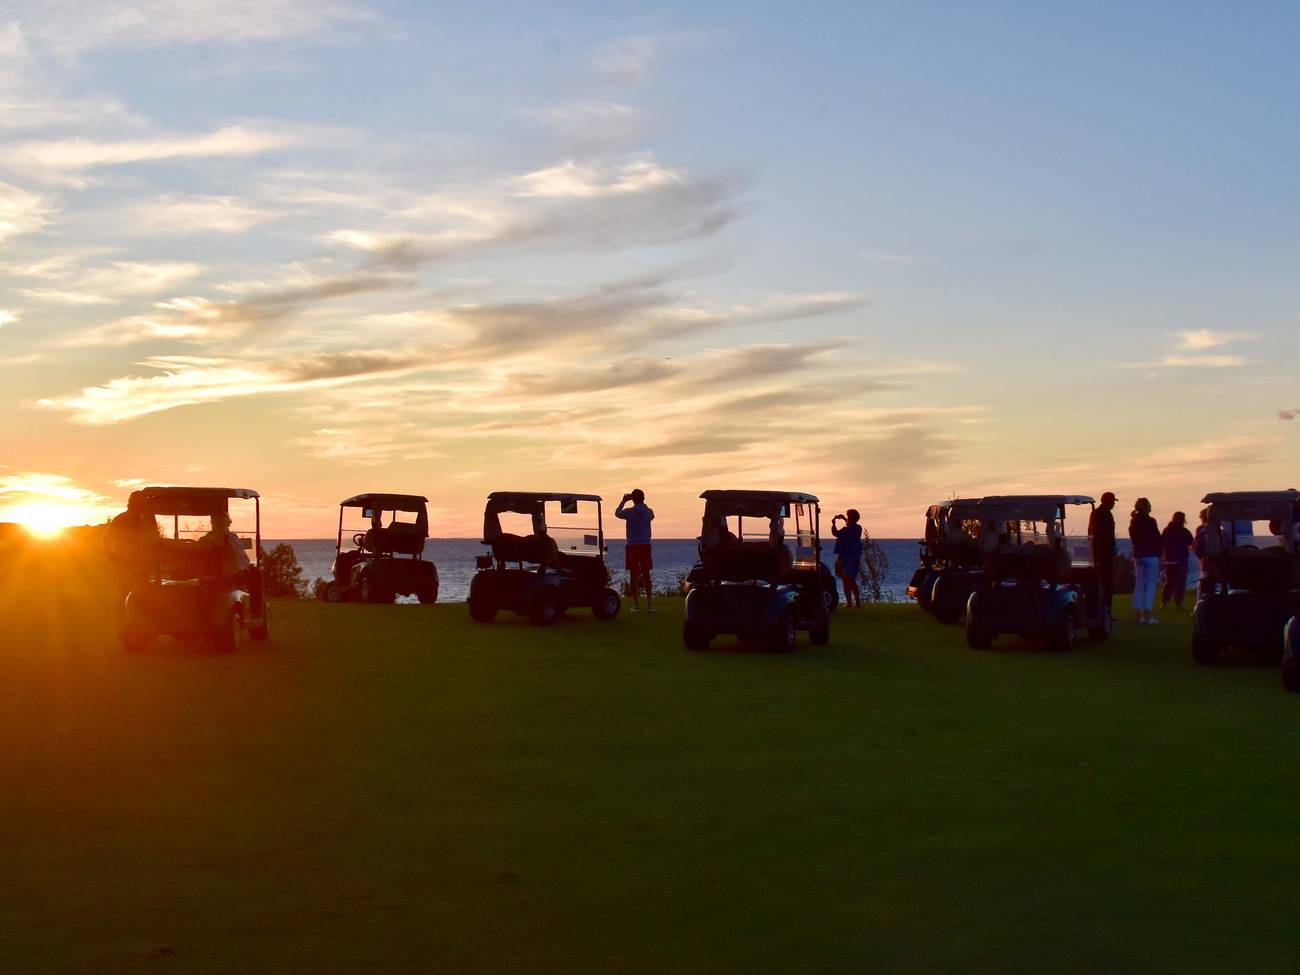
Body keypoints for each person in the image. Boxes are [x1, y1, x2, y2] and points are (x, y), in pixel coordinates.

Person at [615, 489, 655, 613]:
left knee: (633, 575)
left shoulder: (629, 512)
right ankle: (649, 604)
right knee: (646, 574)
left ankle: (636, 605)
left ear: (633, 499)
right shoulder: (649, 512)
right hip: (645, 544)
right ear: (643, 498)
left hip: (632, 545)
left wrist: (623, 501)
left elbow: (617, 513)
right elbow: (652, 516)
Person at [1129, 497, 1162, 624]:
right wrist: (1160, 553)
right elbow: (1157, 538)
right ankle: (1147, 614)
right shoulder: (1151, 521)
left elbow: (1134, 539)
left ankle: (1137, 614)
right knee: (1150, 585)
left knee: (1139, 585)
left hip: (1139, 555)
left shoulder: (1134, 522)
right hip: (1151, 555)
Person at [1089, 491, 1118, 614]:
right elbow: (1104, 536)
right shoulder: (1104, 514)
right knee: (1107, 583)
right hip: (1104, 554)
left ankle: (1105, 611)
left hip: (1099, 553)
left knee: (1104, 582)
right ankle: (1106, 611)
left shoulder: (1096, 513)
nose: (1113, 504)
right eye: (1112, 502)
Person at [1160, 511, 1195, 610]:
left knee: (1169, 582)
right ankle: (1178, 603)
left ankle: (1164, 602)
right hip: (1181, 559)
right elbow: (1191, 542)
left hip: (1169, 560)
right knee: (1180, 583)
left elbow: (1162, 542)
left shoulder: (1166, 530)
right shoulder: (1184, 531)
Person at [200, 512, 250, 579]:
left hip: (217, 573)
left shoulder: (206, 539)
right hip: (233, 573)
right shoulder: (232, 538)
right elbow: (244, 560)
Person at [831, 509, 864, 608]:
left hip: (845, 558)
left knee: (846, 581)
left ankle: (850, 602)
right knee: (851, 580)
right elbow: (852, 526)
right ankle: (857, 602)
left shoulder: (846, 530)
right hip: (854, 557)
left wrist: (833, 524)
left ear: (850, 518)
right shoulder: (858, 528)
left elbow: (835, 533)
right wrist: (845, 519)